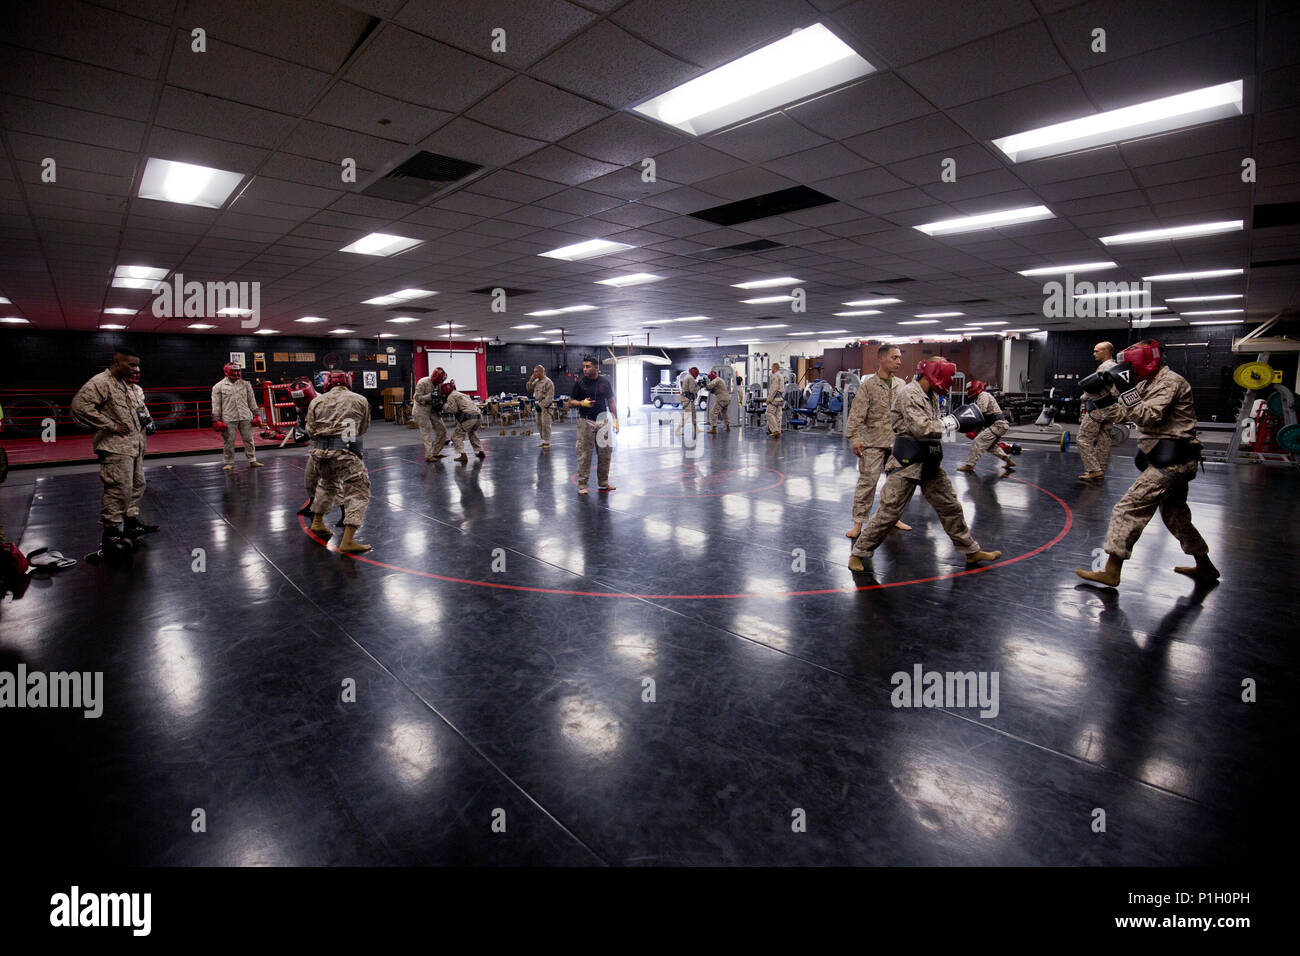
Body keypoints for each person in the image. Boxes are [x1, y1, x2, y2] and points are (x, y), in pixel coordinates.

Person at [1075, 340, 1218, 587]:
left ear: (1146, 361)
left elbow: (1150, 416)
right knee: (1176, 516)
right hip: (1168, 459)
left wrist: (1126, 391)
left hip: (1174, 460)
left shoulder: (1170, 382)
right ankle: (1205, 566)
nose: (1129, 370)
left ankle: (1111, 570)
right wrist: (1101, 399)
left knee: (1127, 508)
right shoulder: (1145, 383)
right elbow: (1123, 414)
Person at [848, 359, 1001, 573]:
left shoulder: (932, 396)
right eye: (947, 379)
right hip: (906, 463)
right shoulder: (910, 393)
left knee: (950, 505)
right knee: (889, 513)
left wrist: (949, 423)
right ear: (935, 375)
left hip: (928, 460)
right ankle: (858, 553)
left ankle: (970, 550)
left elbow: (933, 426)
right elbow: (921, 428)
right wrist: (954, 422)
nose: (948, 384)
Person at [70, 346, 159, 554]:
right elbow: (80, 406)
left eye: (137, 365)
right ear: (117, 363)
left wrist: (147, 420)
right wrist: (110, 425)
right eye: (131, 364)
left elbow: (138, 408)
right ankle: (110, 535)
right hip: (115, 448)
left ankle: (130, 523)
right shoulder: (102, 382)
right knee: (118, 489)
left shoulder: (126, 386)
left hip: (134, 446)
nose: (135, 368)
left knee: (137, 484)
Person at [845, 345, 910, 538]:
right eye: (894, 358)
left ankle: (893, 518)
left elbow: (907, 414)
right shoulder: (869, 386)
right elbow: (856, 415)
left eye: (900, 358)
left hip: (897, 443)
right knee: (868, 483)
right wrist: (855, 439)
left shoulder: (902, 385)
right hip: (873, 442)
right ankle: (858, 523)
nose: (899, 361)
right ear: (881, 359)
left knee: (896, 485)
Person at [306, 370, 372, 553]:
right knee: (358, 490)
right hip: (346, 452)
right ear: (348, 382)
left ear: (327, 383)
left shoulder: (316, 401)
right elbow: (363, 427)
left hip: (320, 454)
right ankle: (348, 540)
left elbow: (310, 430)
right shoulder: (359, 400)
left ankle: (317, 521)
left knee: (327, 483)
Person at [568, 355, 619, 494]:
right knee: (584, 454)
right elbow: (570, 402)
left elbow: (611, 402)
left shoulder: (605, 382)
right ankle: (583, 485)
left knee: (605, 454)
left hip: (603, 421)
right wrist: (581, 403)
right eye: (584, 366)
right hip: (586, 421)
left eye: (588, 366)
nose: (585, 369)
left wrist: (616, 419)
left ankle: (603, 482)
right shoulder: (580, 383)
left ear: (596, 367)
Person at [1076, 341, 1122, 481]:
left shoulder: (1104, 368)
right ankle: (1100, 469)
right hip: (1111, 408)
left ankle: (1094, 469)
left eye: (1097, 351)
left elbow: (1095, 388)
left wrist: (1083, 397)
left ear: (1106, 351)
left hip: (1098, 408)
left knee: (1083, 438)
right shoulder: (1117, 367)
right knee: (1104, 438)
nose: (1094, 354)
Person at [211, 362, 263, 470]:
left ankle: (252, 460)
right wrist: (216, 419)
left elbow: (252, 401)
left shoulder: (246, 384)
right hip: (229, 418)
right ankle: (228, 462)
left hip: (245, 416)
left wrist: (257, 415)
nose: (236, 373)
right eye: (233, 371)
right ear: (227, 372)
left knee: (249, 439)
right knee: (229, 441)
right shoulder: (218, 387)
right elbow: (216, 404)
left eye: (238, 371)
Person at [955, 380, 1015, 473]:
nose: (968, 391)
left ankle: (969, 465)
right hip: (997, 425)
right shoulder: (978, 397)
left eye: (970, 389)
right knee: (990, 446)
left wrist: (972, 428)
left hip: (998, 425)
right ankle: (1008, 460)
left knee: (978, 441)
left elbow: (981, 411)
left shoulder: (983, 395)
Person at [441, 380, 484, 462]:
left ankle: (462, 455)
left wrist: (444, 406)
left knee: (457, 436)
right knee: (472, 433)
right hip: (479, 416)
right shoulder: (462, 394)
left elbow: (453, 409)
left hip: (469, 417)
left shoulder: (451, 396)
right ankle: (480, 451)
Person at [412, 366, 448, 461]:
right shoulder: (422, 382)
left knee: (442, 430)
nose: (441, 383)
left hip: (432, 409)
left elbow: (440, 397)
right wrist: (430, 396)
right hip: (421, 409)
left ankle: (435, 453)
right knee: (427, 432)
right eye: (440, 381)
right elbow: (417, 398)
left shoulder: (439, 384)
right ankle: (429, 455)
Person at [526, 365, 555, 448]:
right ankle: (543, 440)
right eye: (534, 372)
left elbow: (550, 396)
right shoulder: (536, 381)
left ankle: (547, 442)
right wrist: (531, 380)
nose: (534, 373)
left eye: (536, 372)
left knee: (545, 424)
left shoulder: (548, 382)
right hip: (538, 405)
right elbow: (529, 389)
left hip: (546, 407)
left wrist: (542, 405)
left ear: (541, 372)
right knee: (539, 423)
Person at [766, 363, 786, 437]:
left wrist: (769, 399)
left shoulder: (775, 376)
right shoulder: (781, 375)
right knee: (778, 415)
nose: (771, 369)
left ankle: (775, 430)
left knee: (769, 413)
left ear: (774, 368)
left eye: (771, 368)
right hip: (780, 399)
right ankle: (778, 430)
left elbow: (774, 389)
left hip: (775, 398)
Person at [680, 366, 701, 432]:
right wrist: (699, 386)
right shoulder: (690, 378)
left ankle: (696, 429)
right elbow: (692, 390)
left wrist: (697, 384)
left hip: (688, 398)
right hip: (687, 399)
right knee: (687, 414)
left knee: (694, 414)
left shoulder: (688, 376)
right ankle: (678, 429)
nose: (697, 376)